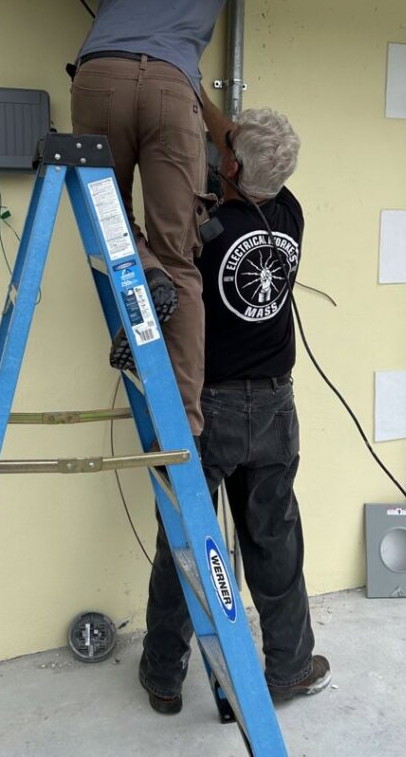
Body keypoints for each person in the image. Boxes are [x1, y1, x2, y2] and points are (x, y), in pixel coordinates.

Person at [24, 0, 243, 436]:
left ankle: (143, 270)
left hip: (102, 77)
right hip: (174, 93)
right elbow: (183, 75)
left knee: (110, 213)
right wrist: (225, 136)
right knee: (182, 260)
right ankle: (187, 425)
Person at [137, 95, 331, 713]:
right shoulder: (290, 212)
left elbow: (170, 261)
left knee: (186, 544)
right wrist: (205, 100)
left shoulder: (207, 227)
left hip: (210, 408)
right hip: (275, 405)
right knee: (274, 539)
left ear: (232, 169)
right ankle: (290, 669)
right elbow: (242, 148)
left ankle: (164, 677)